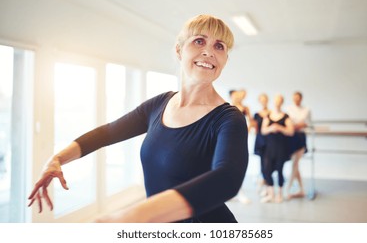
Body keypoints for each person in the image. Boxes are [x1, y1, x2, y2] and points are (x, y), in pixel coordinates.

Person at [27, 14, 249, 223]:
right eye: (199, 41)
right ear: (179, 50)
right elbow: (108, 132)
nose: (209, 52)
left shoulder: (228, 119)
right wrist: (57, 158)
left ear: (225, 59)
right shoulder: (160, 104)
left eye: (219, 46)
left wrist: (130, 216)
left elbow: (227, 179)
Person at [261, 94, 294, 203]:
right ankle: (271, 194)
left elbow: (290, 131)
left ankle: (279, 194)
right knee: (267, 170)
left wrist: (280, 127)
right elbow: (263, 130)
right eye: (276, 101)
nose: (277, 103)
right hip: (269, 148)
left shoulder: (285, 116)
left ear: (282, 102)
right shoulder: (268, 115)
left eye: (279, 101)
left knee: (280, 170)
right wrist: (271, 128)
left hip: (281, 147)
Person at [286, 91, 311, 199]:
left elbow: (307, 123)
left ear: (301, 99)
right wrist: (296, 125)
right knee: (295, 164)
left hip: (300, 137)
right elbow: (288, 123)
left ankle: (287, 189)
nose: (296, 100)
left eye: (298, 98)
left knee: (295, 164)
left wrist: (297, 125)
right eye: (294, 98)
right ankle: (302, 189)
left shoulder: (306, 110)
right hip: (291, 138)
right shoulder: (288, 109)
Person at [252, 93, 270, 195]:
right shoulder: (256, 114)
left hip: (269, 141)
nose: (263, 102)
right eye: (261, 100)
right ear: (259, 101)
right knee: (263, 162)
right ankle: (264, 182)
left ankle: (266, 183)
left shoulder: (271, 113)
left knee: (268, 163)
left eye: (265, 100)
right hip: (260, 140)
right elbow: (254, 127)